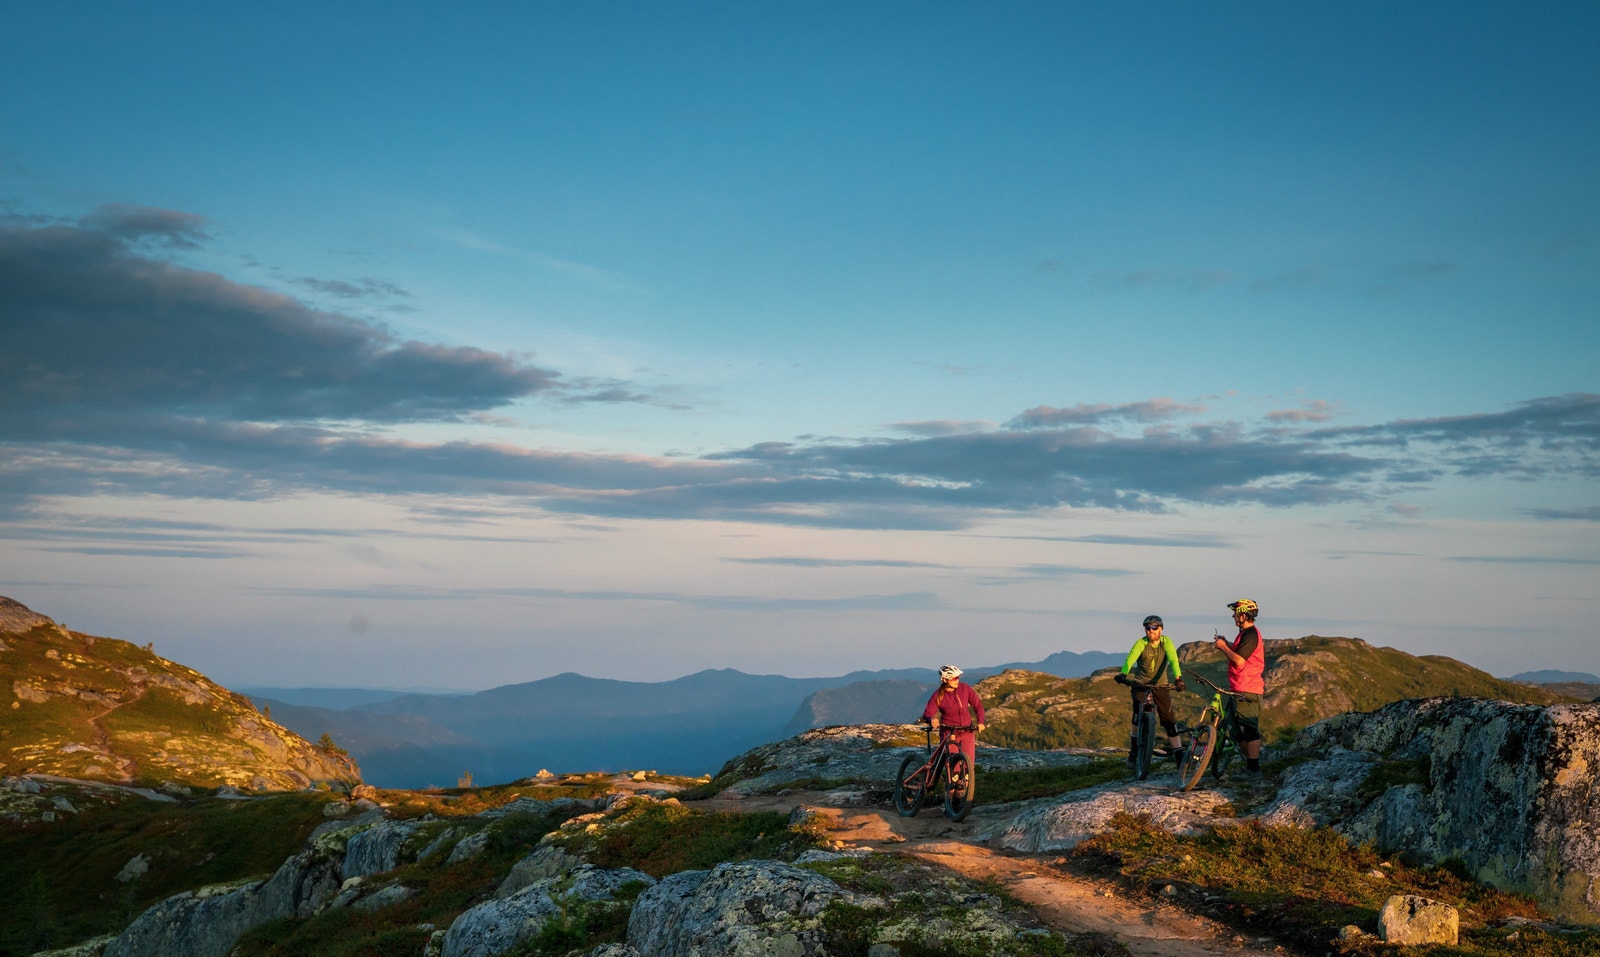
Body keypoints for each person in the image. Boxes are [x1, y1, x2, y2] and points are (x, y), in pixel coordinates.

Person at [1114, 615, 1186, 767]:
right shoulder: (1141, 643)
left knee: (1169, 719)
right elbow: (1130, 658)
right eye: (1147, 628)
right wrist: (1124, 673)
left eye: (1154, 627)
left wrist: (1178, 679)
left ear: (1161, 629)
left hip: (1160, 685)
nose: (1151, 631)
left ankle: (1179, 754)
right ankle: (1134, 752)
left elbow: (1173, 660)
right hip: (1141, 684)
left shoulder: (1166, 642)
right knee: (1137, 715)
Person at [1213, 598, 1266, 773]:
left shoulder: (1251, 634)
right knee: (1236, 731)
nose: (1234, 617)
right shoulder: (1245, 634)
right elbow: (1240, 652)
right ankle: (1250, 764)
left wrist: (1223, 647)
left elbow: (1239, 660)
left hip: (1248, 689)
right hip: (1238, 688)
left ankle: (1254, 770)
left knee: (1249, 729)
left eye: (1236, 614)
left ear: (1243, 615)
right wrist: (1227, 643)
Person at [921, 664, 986, 769]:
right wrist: (932, 719)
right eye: (954, 678)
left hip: (967, 731)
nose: (957, 680)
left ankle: (967, 780)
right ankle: (952, 779)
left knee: (968, 766)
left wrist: (980, 722)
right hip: (949, 733)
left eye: (958, 677)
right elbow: (927, 713)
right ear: (945, 680)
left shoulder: (965, 688)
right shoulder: (938, 695)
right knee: (953, 766)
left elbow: (978, 706)